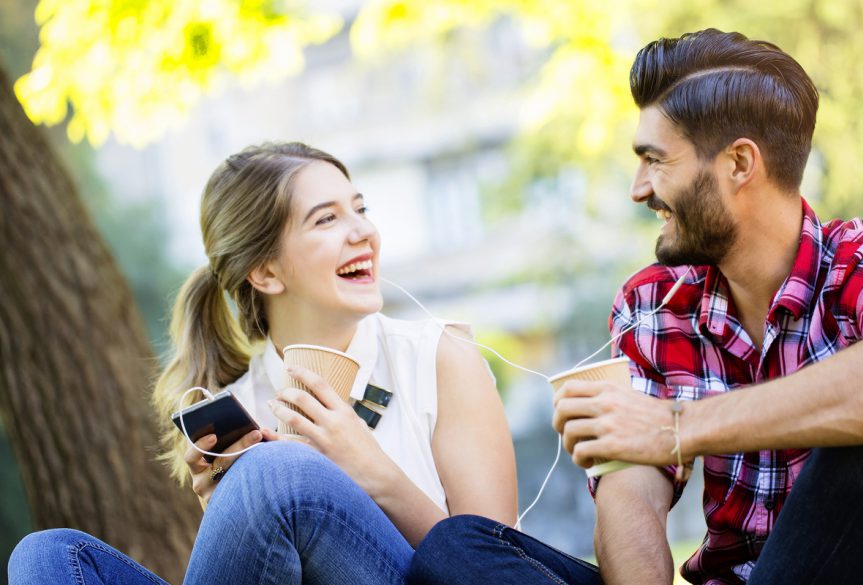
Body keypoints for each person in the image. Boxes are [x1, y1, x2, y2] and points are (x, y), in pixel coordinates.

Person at [407, 29, 863, 585]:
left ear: (739, 164)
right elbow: (631, 490)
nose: (638, 188)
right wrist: (642, 441)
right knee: (457, 548)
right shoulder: (654, 304)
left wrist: (676, 429)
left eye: (655, 160)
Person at [8, 142, 517, 584]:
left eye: (360, 209)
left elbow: (500, 572)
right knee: (48, 556)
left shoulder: (438, 357)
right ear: (266, 272)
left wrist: (371, 472)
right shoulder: (242, 417)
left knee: (276, 473)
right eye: (328, 219)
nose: (364, 231)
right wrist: (225, 517)